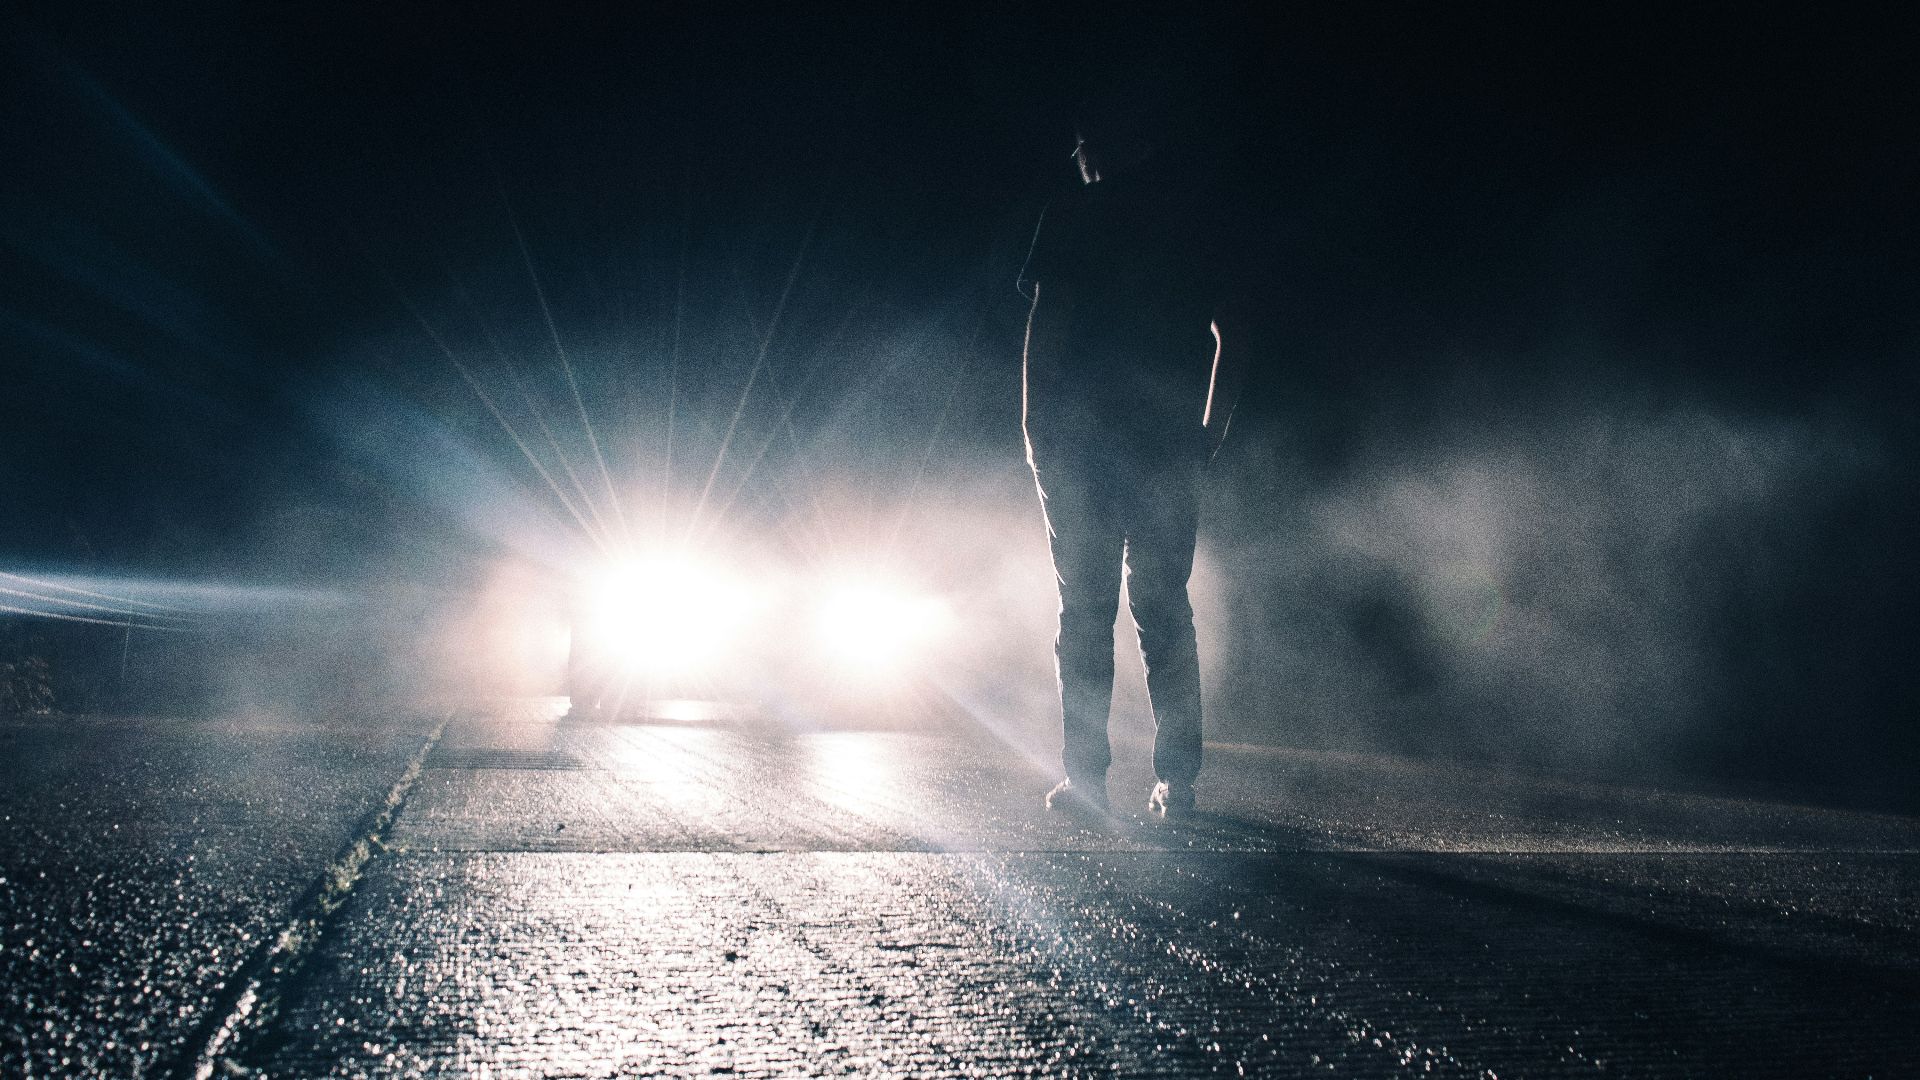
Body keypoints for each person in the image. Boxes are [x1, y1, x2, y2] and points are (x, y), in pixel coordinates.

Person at [1019, 116, 1244, 822]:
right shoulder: (1201, 223)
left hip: (1084, 444)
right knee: (1164, 611)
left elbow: (1046, 332)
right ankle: (1179, 782)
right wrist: (1208, 433)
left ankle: (1086, 781)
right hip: (1168, 446)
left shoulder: (1075, 214)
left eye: (1084, 141)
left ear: (1110, 145)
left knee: (1085, 612)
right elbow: (1234, 334)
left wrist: (1036, 431)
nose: (1078, 154)